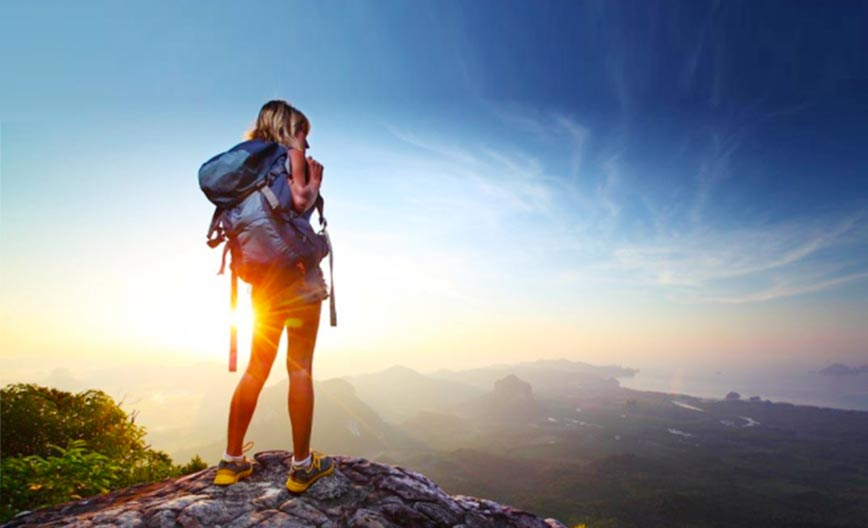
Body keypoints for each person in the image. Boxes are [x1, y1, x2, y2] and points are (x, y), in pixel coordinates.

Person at [213, 100, 336, 493]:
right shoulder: (290, 155)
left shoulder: (247, 169)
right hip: (299, 282)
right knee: (299, 369)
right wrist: (313, 187)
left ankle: (231, 461)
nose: (307, 143)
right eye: (303, 134)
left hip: (263, 285)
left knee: (256, 368)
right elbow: (299, 202)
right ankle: (302, 467)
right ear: (290, 129)